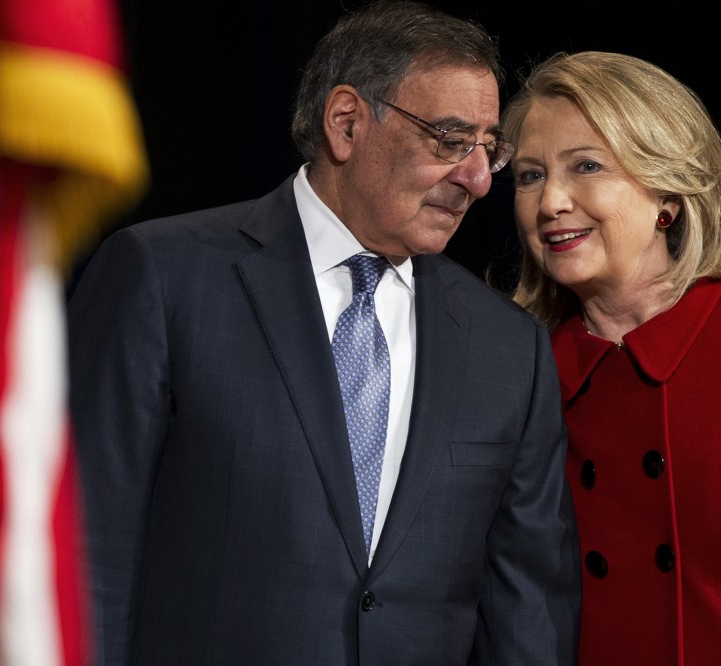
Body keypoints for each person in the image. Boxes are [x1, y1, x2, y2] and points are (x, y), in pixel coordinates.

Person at [68, 1, 580, 663]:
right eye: (451, 141)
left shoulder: (510, 349)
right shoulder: (163, 279)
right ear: (346, 123)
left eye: (489, 150)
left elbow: (527, 618)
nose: (479, 181)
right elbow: (84, 559)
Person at [502, 50, 721, 665]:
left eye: (587, 166)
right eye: (529, 176)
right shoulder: (518, 374)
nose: (550, 204)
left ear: (668, 197)